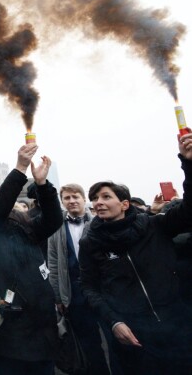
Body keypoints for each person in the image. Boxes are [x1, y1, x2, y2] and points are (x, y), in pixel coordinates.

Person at [78, 133, 192, 375]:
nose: (98, 202)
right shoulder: (91, 242)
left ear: (125, 204)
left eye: (106, 196)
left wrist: (189, 163)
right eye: (95, 198)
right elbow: (89, 287)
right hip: (134, 335)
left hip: (176, 326)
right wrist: (114, 322)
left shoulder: (155, 225)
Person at [0, 143, 62, 375]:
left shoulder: (24, 227)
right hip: (8, 332)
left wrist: (42, 185)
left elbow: (53, 220)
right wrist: (20, 169)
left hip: (41, 327)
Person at [47, 183, 111, 375]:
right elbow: (53, 263)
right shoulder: (56, 227)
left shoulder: (101, 221)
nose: (72, 201)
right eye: (67, 198)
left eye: (75, 197)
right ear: (62, 202)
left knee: (115, 338)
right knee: (88, 343)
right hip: (74, 293)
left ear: (84, 199)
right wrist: (58, 296)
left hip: (104, 290)